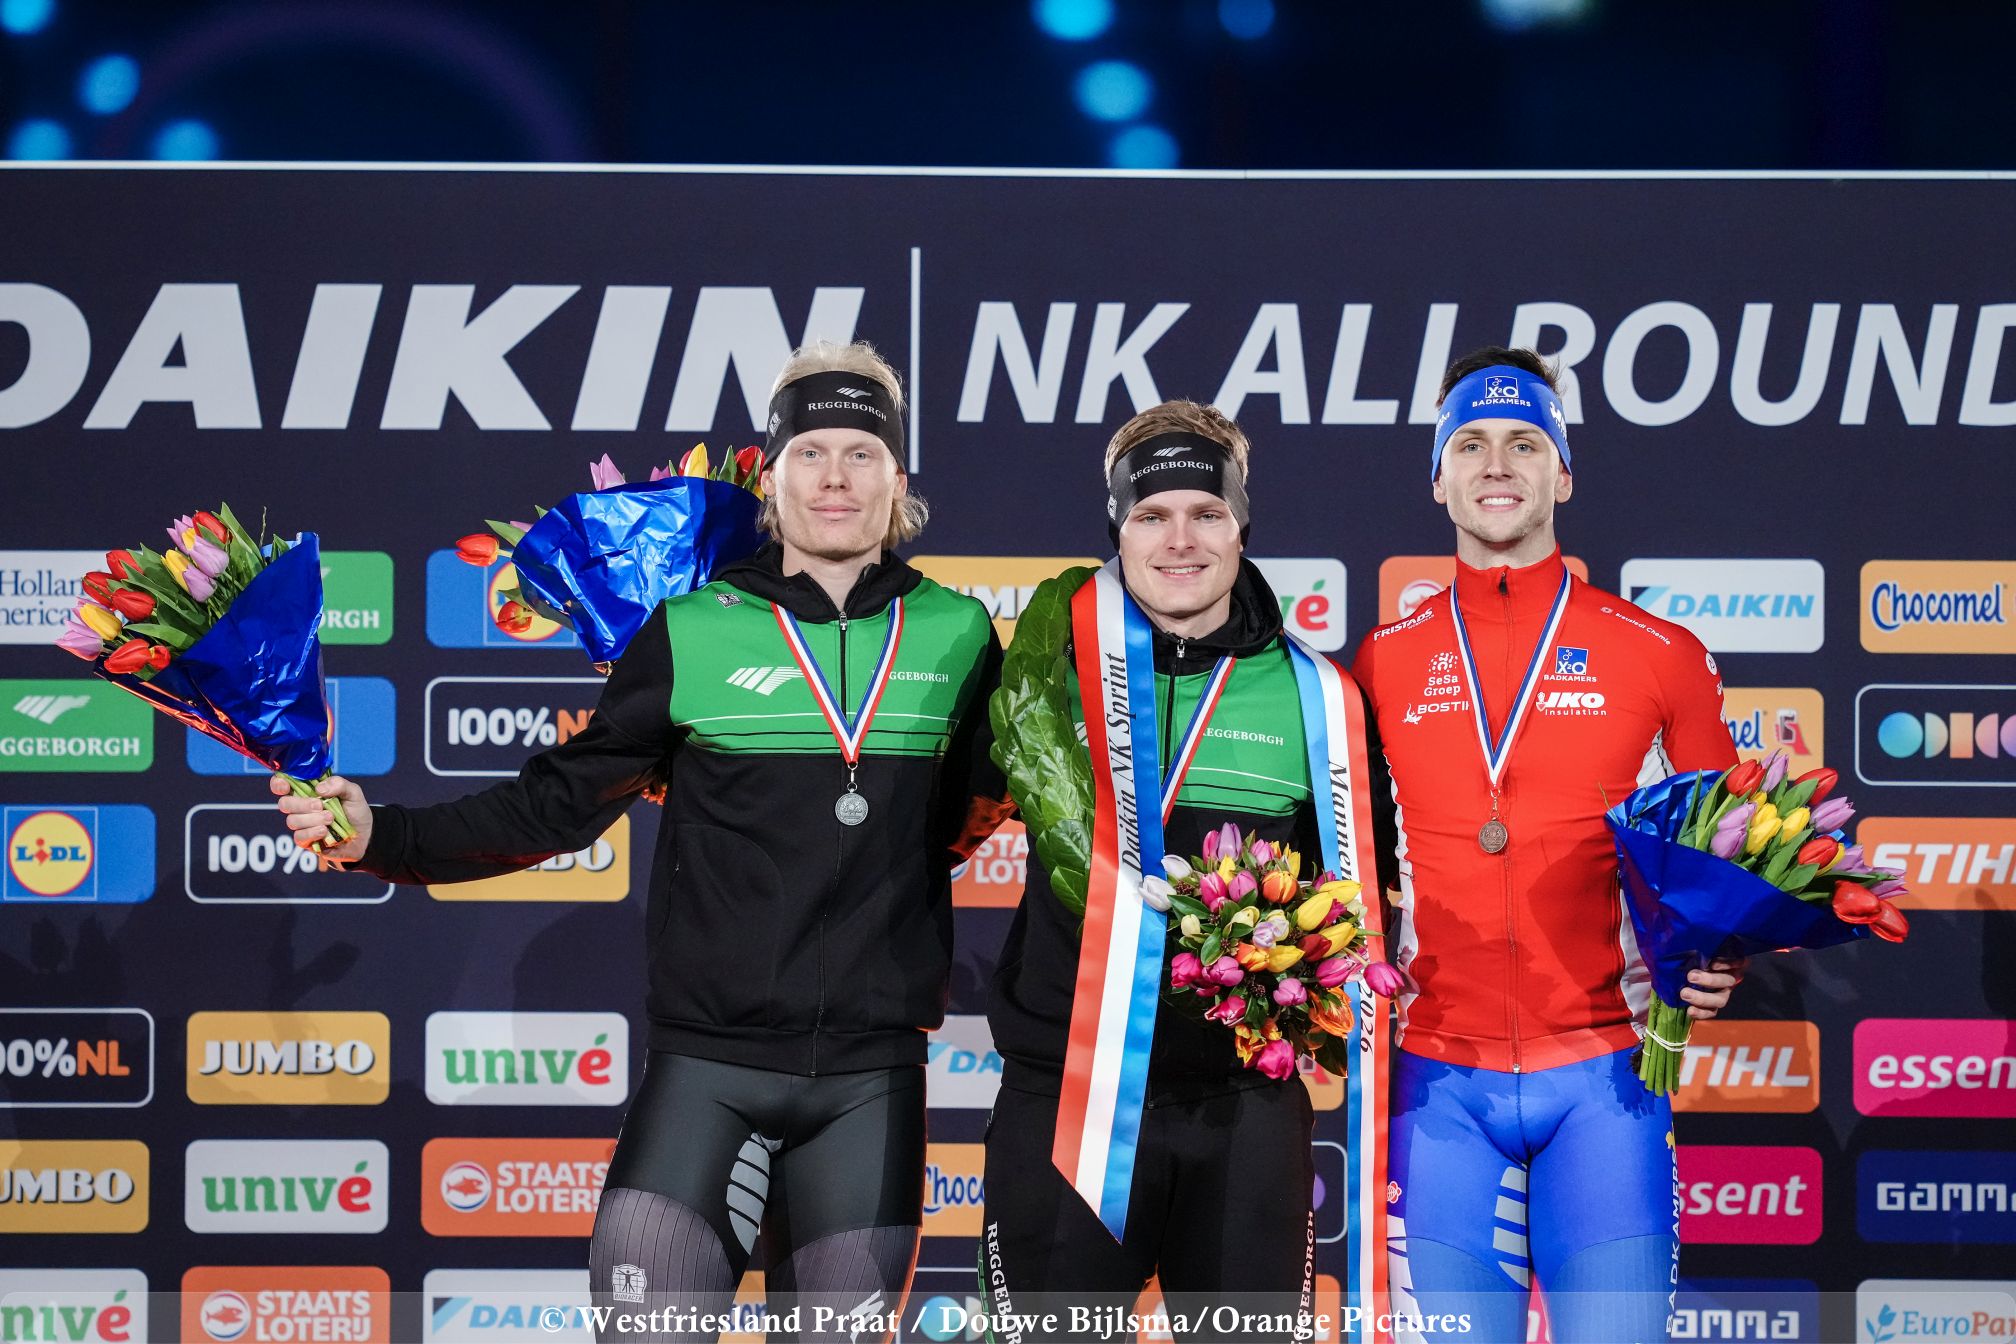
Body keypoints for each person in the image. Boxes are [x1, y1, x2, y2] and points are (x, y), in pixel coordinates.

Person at [275, 340, 1010, 1342]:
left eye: (860, 454)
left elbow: (981, 813)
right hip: (707, 1069)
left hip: (870, 1082)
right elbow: (553, 805)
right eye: (810, 451)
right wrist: (379, 835)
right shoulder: (694, 626)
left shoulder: (961, 635)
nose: (834, 477)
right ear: (769, 472)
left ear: (899, 482)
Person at [1349, 346, 1745, 1344]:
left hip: (1607, 1081)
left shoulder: (1661, 655)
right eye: (1470, 444)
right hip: (1439, 1085)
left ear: (1562, 473)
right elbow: (1343, 858)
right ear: (1437, 478)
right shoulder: (1382, 664)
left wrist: (1722, 949)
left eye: (1525, 442)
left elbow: (1730, 851)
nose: (1497, 464)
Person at [983, 400, 1398, 1343]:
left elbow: (1371, 902)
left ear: (1242, 524)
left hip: (1242, 1107)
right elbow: (918, 817)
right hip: (1068, 1097)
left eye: (1205, 514)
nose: (1180, 540)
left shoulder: (1320, 699)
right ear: (1117, 528)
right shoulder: (1047, 667)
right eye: (1151, 514)